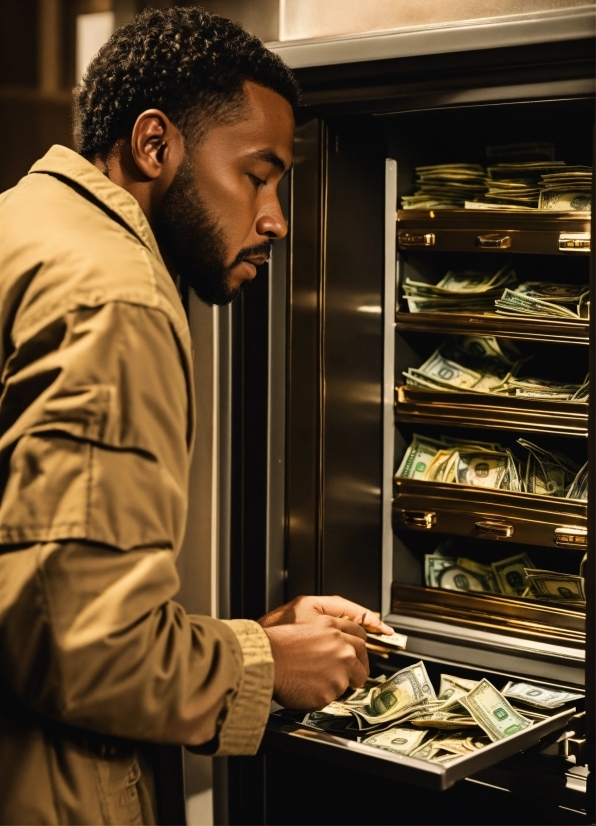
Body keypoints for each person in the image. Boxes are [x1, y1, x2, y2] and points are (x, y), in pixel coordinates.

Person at [0, 8, 393, 824]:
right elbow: (76, 650)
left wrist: (259, 633)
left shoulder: (23, 228)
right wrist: (266, 665)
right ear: (155, 146)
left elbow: (44, 588)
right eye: (259, 174)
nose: (277, 217)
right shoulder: (117, 295)